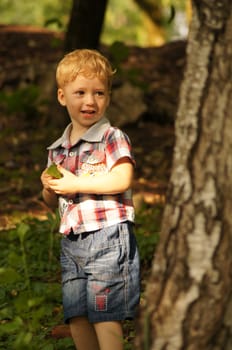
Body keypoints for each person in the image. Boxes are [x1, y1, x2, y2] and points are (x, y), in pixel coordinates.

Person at [40, 49, 140, 350]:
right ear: (62, 96)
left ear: (108, 97)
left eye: (99, 93)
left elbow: (123, 179)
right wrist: (49, 187)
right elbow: (50, 202)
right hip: (72, 242)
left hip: (107, 235)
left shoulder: (112, 137)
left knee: (104, 310)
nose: (90, 101)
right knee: (77, 314)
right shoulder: (58, 149)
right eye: (80, 92)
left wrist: (76, 184)